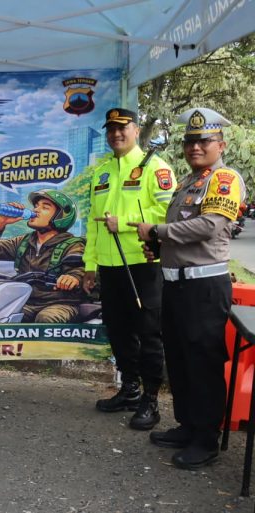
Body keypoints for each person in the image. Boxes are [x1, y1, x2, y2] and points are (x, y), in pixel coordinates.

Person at [130, 108, 246, 469]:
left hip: (203, 288)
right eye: (190, 141)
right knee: (179, 359)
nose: (195, 147)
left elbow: (209, 226)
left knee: (202, 362)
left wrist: (157, 231)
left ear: (220, 145)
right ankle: (187, 425)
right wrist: (160, 247)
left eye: (204, 140)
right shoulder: (186, 182)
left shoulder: (225, 178)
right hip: (175, 285)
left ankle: (206, 439)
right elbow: (183, 232)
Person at [83, 107, 175, 431]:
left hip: (143, 263)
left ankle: (151, 400)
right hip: (109, 267)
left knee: (149, 334)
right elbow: (93, 223)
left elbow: (168, 213)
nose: (116, 134)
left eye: (123, 127)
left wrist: (122, 222)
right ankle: (130, 389)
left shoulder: (155, 168)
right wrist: (90, 265)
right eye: (111, 129)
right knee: (119, 331)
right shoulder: (102, 172)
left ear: (136, 130)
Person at [0, 190, 85, 323]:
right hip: (27, 300)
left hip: (60, 303)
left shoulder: (73, 245)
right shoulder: (23, 242)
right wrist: (0, 223)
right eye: (36, 206)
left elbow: (80, 268)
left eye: (45, 207)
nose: (36, 210)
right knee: (2, 315)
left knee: (47, 318)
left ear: (60, 216)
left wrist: (72, 278)